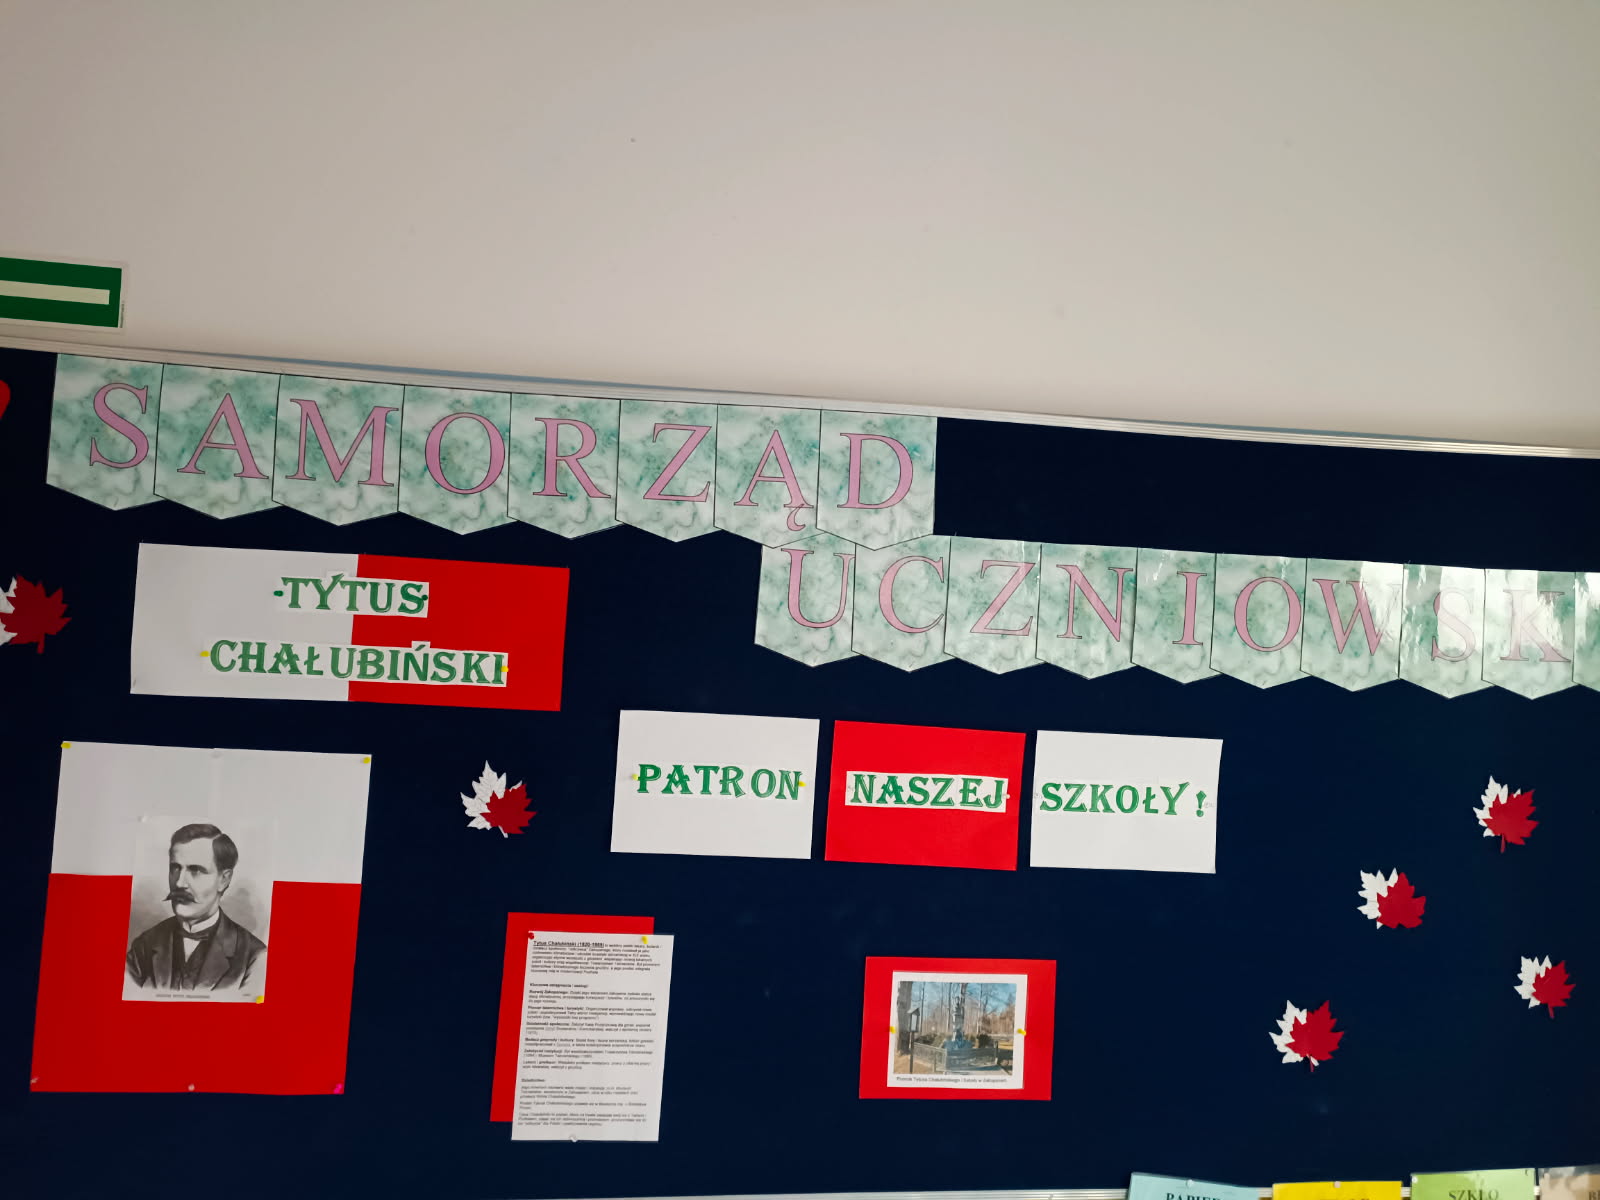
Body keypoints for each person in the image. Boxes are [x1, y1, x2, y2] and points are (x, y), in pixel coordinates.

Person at [125, 823, 266, 993]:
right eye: (175, 868)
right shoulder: (144, 946)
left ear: (224, 879)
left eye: (195, 870)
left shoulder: (254, 957)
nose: (179, 883)